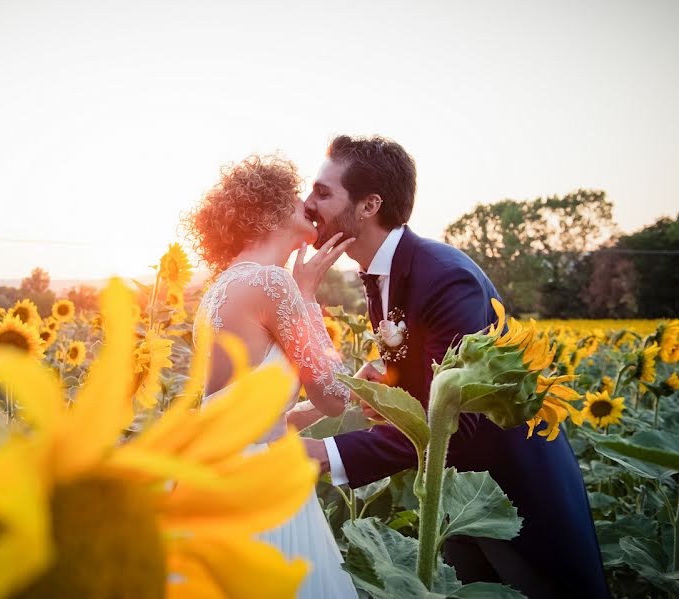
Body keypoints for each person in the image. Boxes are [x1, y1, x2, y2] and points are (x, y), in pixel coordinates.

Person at [300, 134, 609, 598]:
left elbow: (457, 420)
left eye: (323, 192)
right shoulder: (382, 275)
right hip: (456, 492)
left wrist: (326, 455)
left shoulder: (443, 276)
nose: (308, 203)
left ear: (369, 206)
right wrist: (391, 387)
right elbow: (429, 383)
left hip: (511, 494)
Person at [184, 155, 358, 598]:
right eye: (292, 195)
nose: (306, 202)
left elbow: (257, 421)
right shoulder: (273, 284)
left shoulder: (220, 290)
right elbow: (336, 397)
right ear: (264, 211)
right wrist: (308, 296)